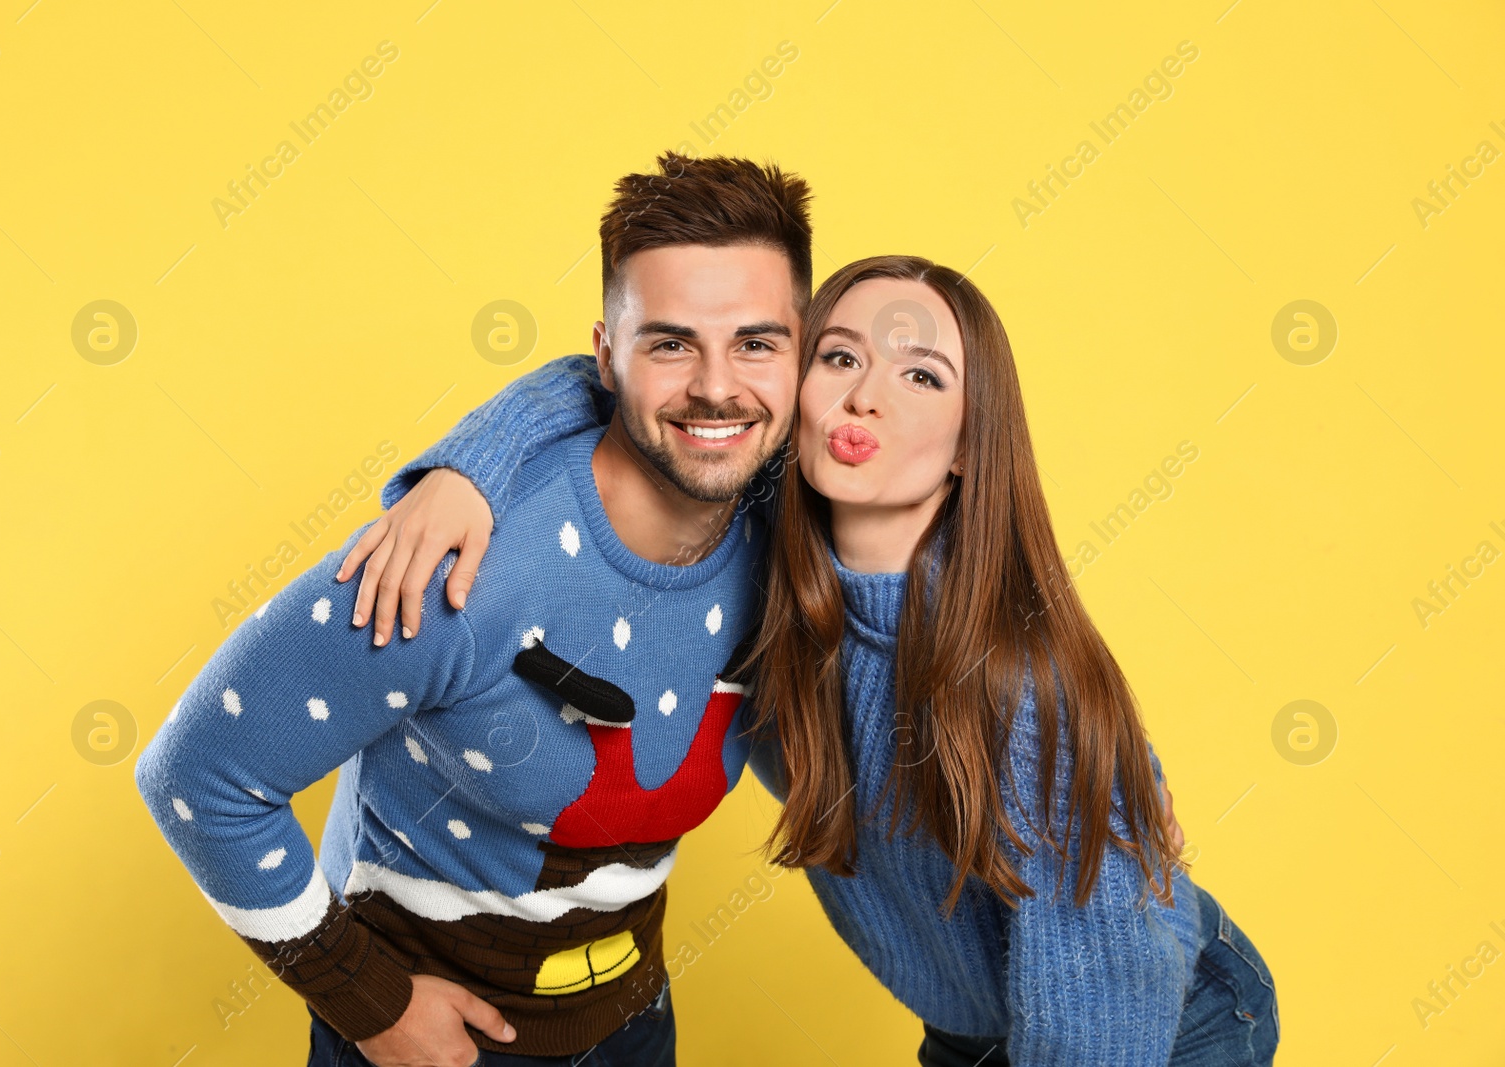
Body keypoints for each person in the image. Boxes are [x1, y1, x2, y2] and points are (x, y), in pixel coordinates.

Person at [350, 249, 1277, 1062]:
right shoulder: (764, 558)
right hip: (979, 1027)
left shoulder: (1012, 689)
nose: (865, 393)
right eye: (840, 357)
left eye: (923, 377)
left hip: (1152, 1025)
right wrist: (464, 473)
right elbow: (615, 377)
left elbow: (1097, 1004)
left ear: (969, 443)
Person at [135, 153, 816, 1067]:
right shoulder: (460, 565)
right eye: (670, 342)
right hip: (436, 1047)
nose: (718, 386)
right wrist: (367, 1003)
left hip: (632, 1022)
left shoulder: (785, 531)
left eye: (757, 343)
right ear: (606, 356)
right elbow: (197, 775)